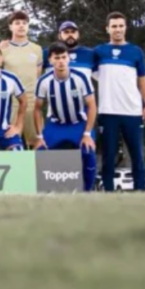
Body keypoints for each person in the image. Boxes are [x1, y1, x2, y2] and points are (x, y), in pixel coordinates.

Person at [93, 12, 145, 192]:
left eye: (120, 26)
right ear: (107, 29)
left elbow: (143, 81)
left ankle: (140, 191)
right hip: (107, 112)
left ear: (125, 27)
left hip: (133, 112)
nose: (117, 29)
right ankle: (109, 193)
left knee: (138, 156)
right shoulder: (99, 52)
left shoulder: (135, 52)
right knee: (108, 156)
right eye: (114, 26)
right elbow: (84, 69)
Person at [34, 42, 98, 191]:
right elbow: (37, 109)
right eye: (57, 58)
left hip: (78, 124)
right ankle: (45, 192)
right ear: (50, 60)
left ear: (68, 58)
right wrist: (39, 136)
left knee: (88, 152)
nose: (61, 61)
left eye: (64, 57)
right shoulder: (43, 81)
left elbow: (92, 105)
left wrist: (87, 134)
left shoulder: (81, 77)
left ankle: (88, 191)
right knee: (41, 152)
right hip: (56, 125)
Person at [0, 11, 43, 148]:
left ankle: (36, 170)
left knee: (37, 142)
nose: (21, 26)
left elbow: (38, 74)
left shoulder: (36, 49)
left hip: (31, 102)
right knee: (10, 142)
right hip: (10, 103)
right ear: (10, 27)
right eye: (17, 23)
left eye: (24, 23)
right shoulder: (3, 49)